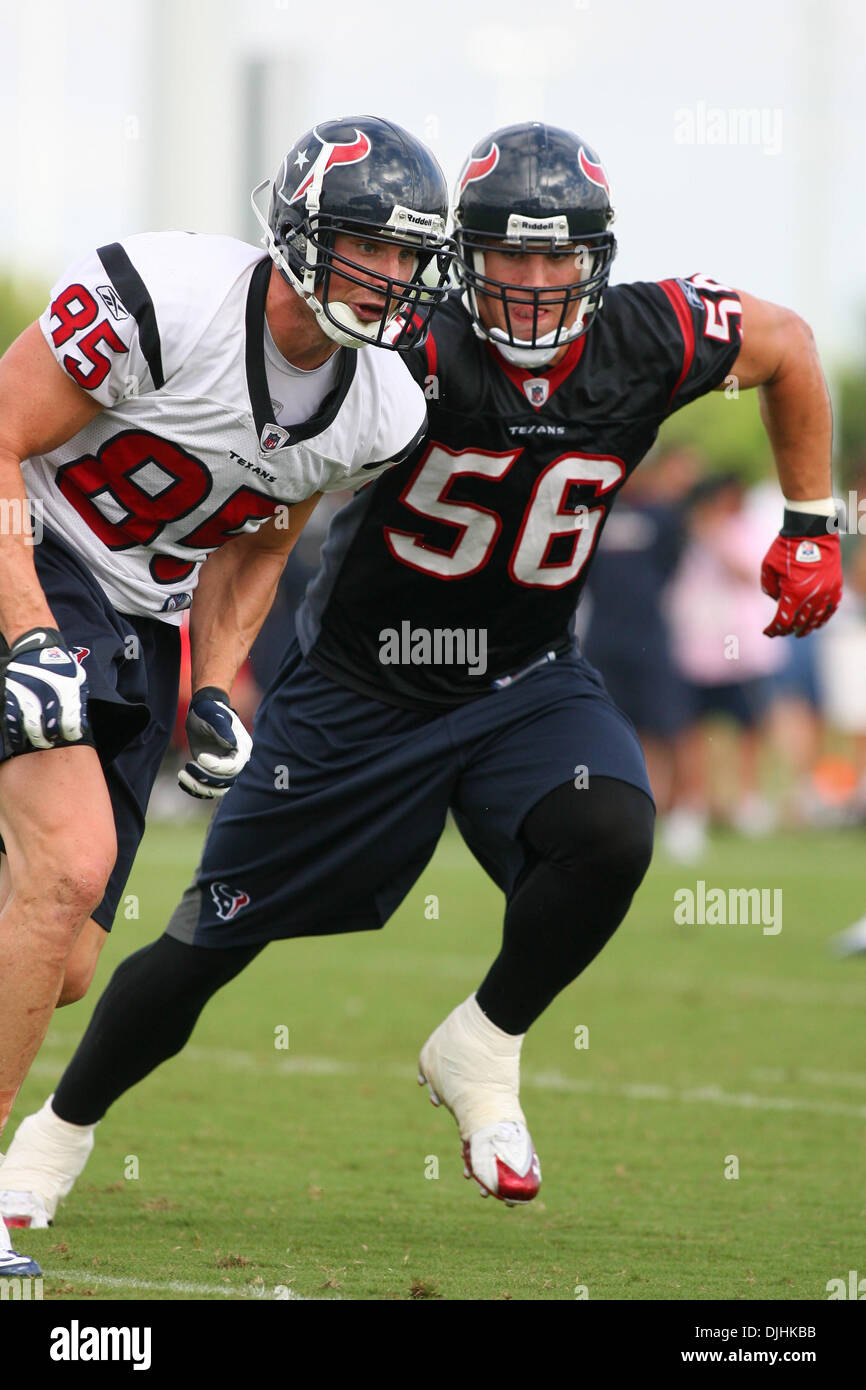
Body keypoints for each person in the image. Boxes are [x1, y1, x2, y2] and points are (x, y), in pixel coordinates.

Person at [0, 121, 842, 1235]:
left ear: (600, 260)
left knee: (610, 834)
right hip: (351, 683)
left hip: (521, 677)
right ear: (466, 257)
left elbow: (782, 341)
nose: (534, 286)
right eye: (506, 257)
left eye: (558, 260)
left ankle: (482, 1046)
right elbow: (227, 481)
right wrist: (97, 646)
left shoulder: (609, 341)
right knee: (193, 936)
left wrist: (811, 517)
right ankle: (49, 1143)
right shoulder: (387, 361)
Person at [0, 115, 451, 1273]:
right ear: (299, 228)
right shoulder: (166, 294)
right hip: (31, 553)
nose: (389, 276)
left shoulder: (381, 407)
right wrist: (31, 634)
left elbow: (260, 533)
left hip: (139, 619)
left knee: (71, 954)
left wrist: (214, 683)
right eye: (366, 243)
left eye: (408, 256)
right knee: (66, 870)